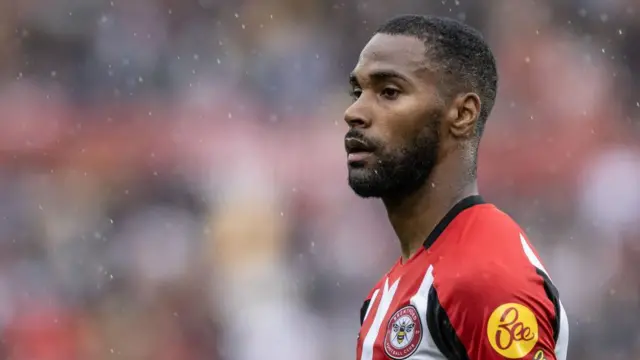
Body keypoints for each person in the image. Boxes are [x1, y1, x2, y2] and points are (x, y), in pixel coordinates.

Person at [344, 15, 569, 360]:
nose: (354, 112)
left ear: (462, 115)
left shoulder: (485, 277)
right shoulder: (391, 289)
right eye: (358, 91)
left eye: (389, 92)